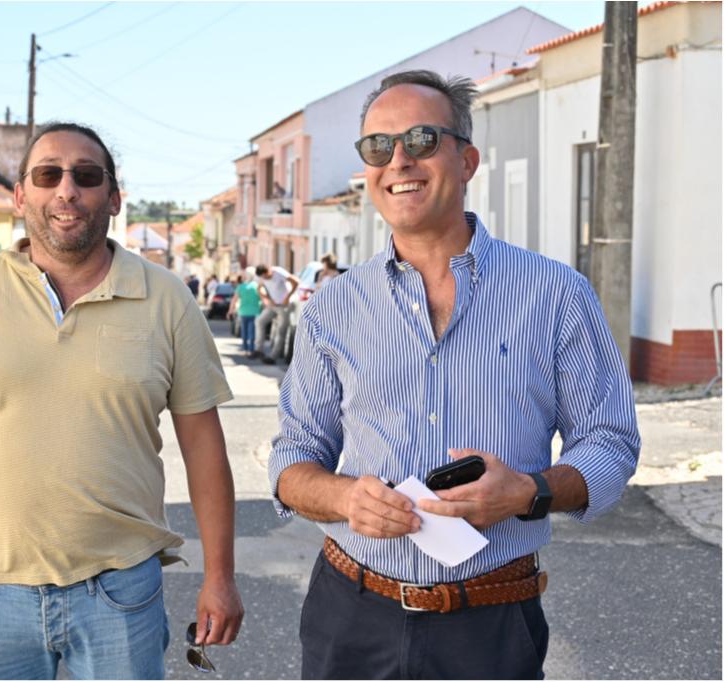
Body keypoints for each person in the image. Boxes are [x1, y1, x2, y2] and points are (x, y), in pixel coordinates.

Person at [268, 70, 640, 680]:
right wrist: (343, 497)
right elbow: (292, 461)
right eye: (378, 147)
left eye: (421, 139)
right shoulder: (332, 307)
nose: (398, 161)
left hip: (491, 624)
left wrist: (530, 491)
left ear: (467, 161)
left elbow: (610, 442)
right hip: (351, 615)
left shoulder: (556, 294)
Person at [0, 121, 244, 680]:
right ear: (20, 196)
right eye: (48, 175)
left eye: (87, 176)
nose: (67, 190)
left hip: (120, 595)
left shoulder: (166, 299)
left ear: (114, 198)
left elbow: (204, 447)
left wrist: (220, 576)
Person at [253, 263, 299, 365]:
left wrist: (287, 297)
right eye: (263, 277)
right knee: (260, 321)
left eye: (266, 276)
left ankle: (273, 356)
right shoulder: (261, 277)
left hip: (285, 306)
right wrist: (266, 299)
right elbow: (259, 288)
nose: (265, 278)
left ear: (269, 271)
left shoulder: (278, 272)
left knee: (281, 331)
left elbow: (296, 282)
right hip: (273, 305)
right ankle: (259, 350)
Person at [226, 270, 262, 357]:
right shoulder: (257, 286)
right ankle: (251, 350)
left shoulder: (241, 287)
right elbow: (262, 298)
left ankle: (245, 349)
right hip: (255, 312)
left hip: (243, 312)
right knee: (252, 332)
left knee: (244, 332)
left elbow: (234, 300)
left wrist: (230, 311)